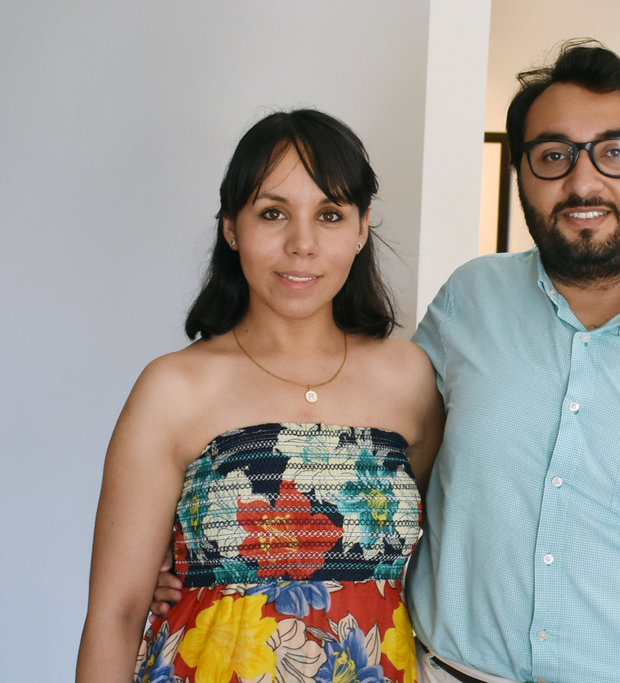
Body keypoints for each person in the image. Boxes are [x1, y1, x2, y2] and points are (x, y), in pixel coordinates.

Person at [152, 42, 620, 683]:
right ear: (521, 171)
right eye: (553, 155)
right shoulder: (470, 302)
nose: (583, 182)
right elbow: (366, 446)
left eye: (617, 151)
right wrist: (203, 534)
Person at [76, 109, 444, 683]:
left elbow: (441, 553)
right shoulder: (173, 388)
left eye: (329, 215)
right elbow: (115, 615)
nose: (302, 244)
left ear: (362, 228)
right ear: (231, 227)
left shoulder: (410, 379)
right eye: (273, 213)